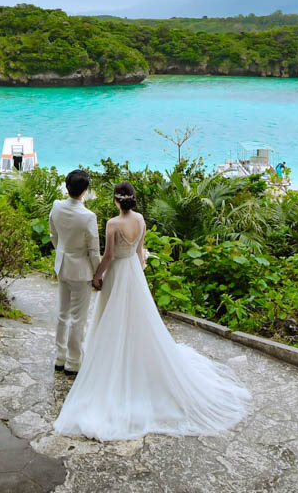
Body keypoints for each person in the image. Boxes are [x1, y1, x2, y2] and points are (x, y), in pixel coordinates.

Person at [53, 181, 251, 441]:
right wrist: (138, 274)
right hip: (134, 273)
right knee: (138, 318)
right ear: (132, 199)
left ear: (116, 200)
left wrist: (98, 275)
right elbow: (139, 252)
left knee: (112, 317)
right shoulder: (141, 220)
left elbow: (109, 256)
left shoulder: (112, 224)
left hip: (117, 273)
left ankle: (110, 357)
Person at [48, 168, 99, 376]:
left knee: (62, 313)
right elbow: (93, 250)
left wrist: (61, 250)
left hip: (62, 265)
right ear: (85, 190)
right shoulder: (88, 217)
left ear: (67, 186)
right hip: (81, 271)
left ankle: (59, 357)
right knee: (78, 318)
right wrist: (98, 274)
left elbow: (53, 234)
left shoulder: (56, 206)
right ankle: (73, 361)